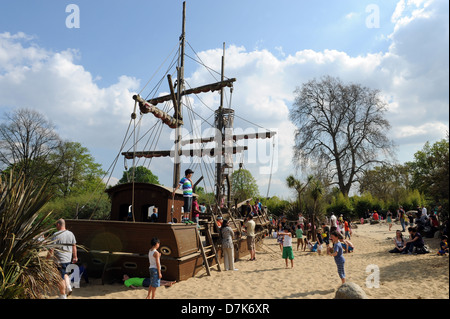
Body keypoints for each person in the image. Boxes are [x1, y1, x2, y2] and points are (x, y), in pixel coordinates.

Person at [47, 219, 78, 299]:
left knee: (59, 277)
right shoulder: (71, 234)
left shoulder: (56, 234)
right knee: (65, 274)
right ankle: (68, 287)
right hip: (68, 259)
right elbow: (74, 246)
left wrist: (47, 258)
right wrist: (75, 257)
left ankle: (63, 295)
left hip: (59, 260)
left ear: (58, 224)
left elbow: (51, 249)